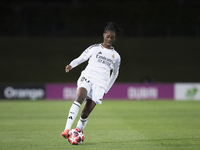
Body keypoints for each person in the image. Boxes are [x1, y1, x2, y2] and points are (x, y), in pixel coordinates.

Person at [61, 22, 122, 139]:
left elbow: (115, 74)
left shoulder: (116, 57)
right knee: (79, 98)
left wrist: (106, 89)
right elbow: (81, 58)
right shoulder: (94, 48)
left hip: (100, 85)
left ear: (114, 39)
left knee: (85, 113)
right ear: (104, 35)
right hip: (87, 77)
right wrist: (71, 65)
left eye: (112, 37)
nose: (109, 39)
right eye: (108, 36)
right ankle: (66, 129)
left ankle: (77, 132)